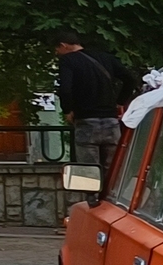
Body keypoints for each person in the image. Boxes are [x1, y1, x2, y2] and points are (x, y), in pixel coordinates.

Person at [53, 30, 126, 169]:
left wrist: (67, 110)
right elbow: (130, 79)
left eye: (57, 48)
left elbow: (66, 89)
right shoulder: (105, 58)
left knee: (89, 172)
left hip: (86, 122)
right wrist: (119, 102)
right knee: (113, 170)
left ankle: (92, 192)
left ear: (64, 45)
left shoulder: (68, 61)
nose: (57, 52)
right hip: (111, 121)